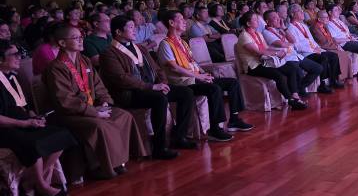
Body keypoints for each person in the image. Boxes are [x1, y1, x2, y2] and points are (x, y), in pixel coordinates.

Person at [44, 24, 142, 180]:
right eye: (75, 37)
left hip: (93, 106)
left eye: (81, 36)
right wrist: (93, 112)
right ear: (62, 43)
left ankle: (118, 161)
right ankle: (99, 165)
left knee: (123, 116)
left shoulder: (84, 61)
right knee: (99, 125)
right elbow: (65, 100)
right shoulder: (55, 67)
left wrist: (104, 102)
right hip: (71, 113)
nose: (81, 40)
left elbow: (98, 85)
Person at [100, 16, 197, 159]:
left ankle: (179, 136)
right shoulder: (109, 53)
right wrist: (151, 86)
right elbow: (121, 79)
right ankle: (159, 146)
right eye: (131, 27)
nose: (135, 30)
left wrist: (163, 83)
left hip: (152, 87)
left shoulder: (140, 48)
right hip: (129, 93)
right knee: (159, 99)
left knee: (186, 93)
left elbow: (157, 69)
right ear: (119, 32)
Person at [157, 10, 252, 141]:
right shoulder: (165, 44)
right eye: (180, 19)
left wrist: (203, 73)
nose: (185, 22)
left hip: (195, 78)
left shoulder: (183, 42)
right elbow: (175, 67)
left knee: (232, 82)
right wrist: (199, 77)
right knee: (214, 89)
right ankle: (215, 129)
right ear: (171, 23)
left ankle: (234, 119)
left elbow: (192, 61)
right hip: (183, 83)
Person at [0, 40, 76, 196]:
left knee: (62, 134)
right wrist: (25, 124)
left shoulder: (13, 77)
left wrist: (34, 117)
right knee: (32, 144)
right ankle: (41, 185)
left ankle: (30, 183)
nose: (19, 57)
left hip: (24, 123)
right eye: (14, 54)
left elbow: (24, 105)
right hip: (6, 129)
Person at [236, 11, 307, 110]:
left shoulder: (258, 34)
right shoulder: (244, 36)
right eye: (255, 20)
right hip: (253, 66)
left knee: (291, 69)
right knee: (279, 76)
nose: (258, 21)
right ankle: (290, 100)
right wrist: (277, 54)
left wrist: (281, 52)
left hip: (264, 62)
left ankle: (295, 96)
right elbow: (258, 52)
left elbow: (266, 48)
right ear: (248, 23)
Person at [286, 4, 343, 92]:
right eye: (299, 11)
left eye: (302, 10)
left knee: (334, 56)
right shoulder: (290, 28)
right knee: (323, 58)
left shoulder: (303, 26)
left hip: (313, 50)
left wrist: (318, 48)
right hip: (305, 53)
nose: (302, 13)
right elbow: (296, 46)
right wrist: (313, 50)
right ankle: (322, 84)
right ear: (292, 14)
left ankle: (334, 80)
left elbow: (311, 40)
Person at [263, 11, 321, 95]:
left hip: (295, 55)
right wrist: (290, 43)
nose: (278, 19)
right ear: (267, 21)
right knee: (297, 70)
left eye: (278, 17)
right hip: (285, 59)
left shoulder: (280, 30)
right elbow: (282, 44)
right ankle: (297, 92)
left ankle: (300, 88)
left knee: (317, 68)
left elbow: (293, 40)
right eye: (275, 18)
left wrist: (284, 28)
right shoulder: (266, 32)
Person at [322, 6, 358, 78]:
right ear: (330, 12)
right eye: (336, 10)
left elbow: (346, 33)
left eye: (338, 10)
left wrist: (352, 37)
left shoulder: (339, 21)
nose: (339, 11)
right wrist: (348, 39)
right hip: (343, 43)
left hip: (349, 40)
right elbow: (335, 39)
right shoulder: (329, 24)